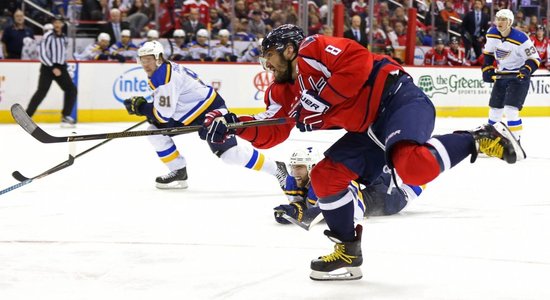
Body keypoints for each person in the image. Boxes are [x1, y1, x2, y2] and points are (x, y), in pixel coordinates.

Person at [200, 24, 525, 281]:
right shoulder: (281, 90)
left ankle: (478, 138)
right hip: (368, 129)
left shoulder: (312, 49)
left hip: (398, 98)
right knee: (326, 177)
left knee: (412, 166)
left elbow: (357, 60)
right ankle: (347, 251)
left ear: (288, 49)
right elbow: (273, 129)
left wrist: (324, 98)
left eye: (269, 55)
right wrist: (233, 125)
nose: (267, 65)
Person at [123, 41, 288, 189]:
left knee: (230, 155)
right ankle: (178, 170)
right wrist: (149, 110)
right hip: (189, 114)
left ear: (159, 58)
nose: (145, 64)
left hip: (212, 111)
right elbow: (164, 110)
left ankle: (276, 168)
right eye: (143, 59)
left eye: (149, 59)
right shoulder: (163, 70)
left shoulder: (163, 76)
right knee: (155, 131)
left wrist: (142, 108)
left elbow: (163, 115)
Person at [273, 147, 423, 226]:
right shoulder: (296, 180)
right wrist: (293, 210)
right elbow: (306, 205)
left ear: (312, 167)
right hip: (369, 190)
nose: (294, 172)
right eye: (293, 167)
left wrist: (296, 214)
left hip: (383, 200)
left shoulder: (327, 182)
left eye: (299, 167)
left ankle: (437, 155)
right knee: (401, 164)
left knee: (420, 176)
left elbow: (327, 212)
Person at [482, 9, 541, 142]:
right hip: (502, 75)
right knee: (495, 110)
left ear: (510, 22)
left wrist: (526, 70)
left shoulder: (521, 38)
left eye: (503, 19)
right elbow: (489, 53)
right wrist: (487, 68)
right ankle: (491, 139)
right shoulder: (492, 33)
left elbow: (535, 59)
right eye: (498, 18)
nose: (500, 22)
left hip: (518, 78)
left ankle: (515, 141)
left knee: (510, 110)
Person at [26, 15, 77, 128]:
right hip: (48, 67)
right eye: (55, 22)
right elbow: (42, 54)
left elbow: (62, 54)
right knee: (42, 91)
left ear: (63, 24)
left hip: (61, 67)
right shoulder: (47, 36)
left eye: (59, 22)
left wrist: (62, 66)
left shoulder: (64, 37)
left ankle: (65, 117)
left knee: (71, 90)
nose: (57, 24)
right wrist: (52, 67)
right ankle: (27, 116)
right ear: (53, 24)